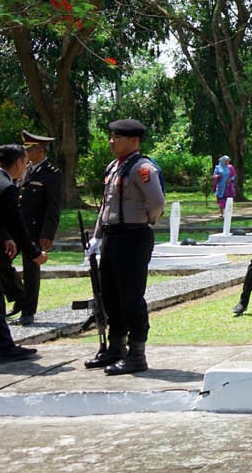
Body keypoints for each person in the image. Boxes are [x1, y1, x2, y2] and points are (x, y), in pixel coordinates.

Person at [85, 119, 165, 375]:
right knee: (110, 296)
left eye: (117, 137)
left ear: (134, 140)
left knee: (131, 297)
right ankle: (115, 346)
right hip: (112, 236)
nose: (112, 141)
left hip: (133, 236)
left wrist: (144, 222)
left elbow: (157, 202)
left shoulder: (143, 169)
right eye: (111, 137)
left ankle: (137, 354)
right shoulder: (113, 167)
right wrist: (97, 236)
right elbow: (105, 206)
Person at [0, 144, 48, 362]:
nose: (27, 166)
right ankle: (3, 348)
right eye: (25, 162)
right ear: (18, 163)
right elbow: (16, 223)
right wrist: (34, 252)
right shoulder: (6, 187)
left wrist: (5, 237)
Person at [13, 131, 62, 326]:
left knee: (31, 270)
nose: (26, 153)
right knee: (3, 263)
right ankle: (18, 296)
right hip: (16, 226)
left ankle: (28, 311)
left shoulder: (52, 174)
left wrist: (47, 234)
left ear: (39, 150)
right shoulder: (25, 169)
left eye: (29, 149)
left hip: (35, 228)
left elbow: (53, 206)